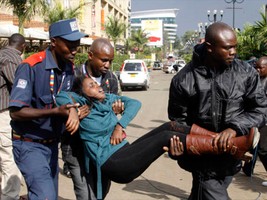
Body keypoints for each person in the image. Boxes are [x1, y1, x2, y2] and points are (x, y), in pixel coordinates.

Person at [56, 75, 256, 200]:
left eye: (96, 83)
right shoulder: (83, 108)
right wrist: (72, 110)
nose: (98, 87)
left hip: (123, 151)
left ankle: (229, 143)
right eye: (91, 86)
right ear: (82, 94)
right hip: (113, 164)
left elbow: (135, 104)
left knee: (170, 126)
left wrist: (120, 124)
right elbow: (61, 96)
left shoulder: (108, 99)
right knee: (166, 137)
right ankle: (230, 146)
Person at [167, 22, 267, 200]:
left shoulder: (246, 73)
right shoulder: (183, 79)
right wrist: (179, 147)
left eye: (235, 47)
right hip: (201, 157)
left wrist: (235, 128)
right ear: (210, 48)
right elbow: (178, 122)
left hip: (231, 154)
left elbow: (260, 109)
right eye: (228, 48)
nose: (233, 52)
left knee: (201, 194)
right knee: (211, 190)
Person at [8, 18, 88, 200]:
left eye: (77, 44)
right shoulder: (31, 67)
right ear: (53, 42)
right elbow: (16, 112)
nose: (75, 49)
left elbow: (68, 99)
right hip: (29, 145)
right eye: (70, 44)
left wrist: (78, 111)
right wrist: (55, 112)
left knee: (46, 195)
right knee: (46, 196)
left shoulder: (69, 67)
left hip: (52, 145)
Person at [60, 38, 122, 200]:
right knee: (85, 194)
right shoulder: (72, 77)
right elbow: (59, 103)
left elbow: (115, 106)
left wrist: (117, 111)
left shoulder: (112, 79)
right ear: (90, 55)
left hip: (102, 147)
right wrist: (73, 112)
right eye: (104, 60)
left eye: (110, 61)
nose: (107, 65)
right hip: (76, 148)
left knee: (101, 191)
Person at [0, 33, 25, 200]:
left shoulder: (2, 54)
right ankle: (10, 196)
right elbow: (19, 86)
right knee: (10, 158)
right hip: (4, 114)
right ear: (23, 47)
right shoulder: (11, 58)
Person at [242, 56, 267, 186]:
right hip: (254, 118)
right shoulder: (256, 79)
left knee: (262, 148)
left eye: (261, 68)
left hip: (265, 120)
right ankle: (247, 169)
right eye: (256, 67)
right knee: (252, 143)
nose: (257, 70)